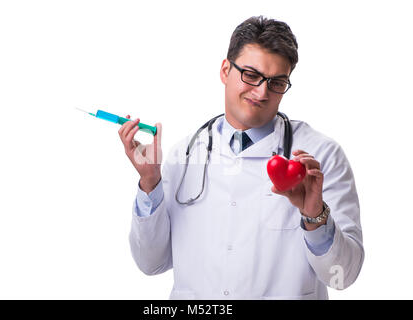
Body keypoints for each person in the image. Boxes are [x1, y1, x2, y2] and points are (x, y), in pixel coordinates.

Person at [118, 16, 364, 300]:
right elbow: (151, 263)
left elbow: (342, 276)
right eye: (251, 74)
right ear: (225, 70)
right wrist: (150, 183)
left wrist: (314, 216)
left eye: (277, 82)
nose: (261, 92)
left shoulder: (320, 156)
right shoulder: (184, 156)